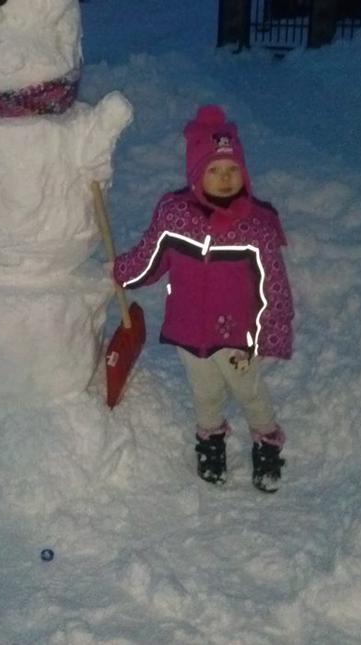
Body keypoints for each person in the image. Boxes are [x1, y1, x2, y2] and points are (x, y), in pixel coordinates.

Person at [114, 105, 294, 492]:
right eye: (214, 170)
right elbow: (151, 258)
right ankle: (210, 442)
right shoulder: (175, 216)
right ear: (197, 174)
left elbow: (274, 286)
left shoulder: (255, 228)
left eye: (232, 170)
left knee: (250, 392)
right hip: (189, 330)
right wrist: (120, 272)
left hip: (238, 337)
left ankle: (266, 441)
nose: (225, 178)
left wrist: (267, 336)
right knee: (205, 393)